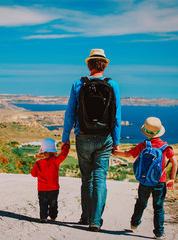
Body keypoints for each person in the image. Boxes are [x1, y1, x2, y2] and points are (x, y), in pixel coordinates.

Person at [62, 49, 121, 231]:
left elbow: (70, 114)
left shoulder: (78, 84)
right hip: (104, 139)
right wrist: (116, 141)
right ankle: (95, 220)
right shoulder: (113, 85)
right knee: (100, 178)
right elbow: (117, 116)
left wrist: (65, 138)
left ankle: (85, 216)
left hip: (83, 137)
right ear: (105, 65)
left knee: (86, 178)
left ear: (89, 64)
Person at [112, 117, 178, 239]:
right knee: (158, 207)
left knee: (141, 202)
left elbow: (128, 154)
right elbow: (174, 162)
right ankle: (158, 233)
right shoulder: (165, 147)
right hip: (160, 181)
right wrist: (172, 179)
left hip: (145, 180)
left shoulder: (144, 145)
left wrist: (115, 152)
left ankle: (134, 223)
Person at [31, 138, 70, 223]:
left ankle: (43, 217)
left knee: (43, 203)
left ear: (43, 152)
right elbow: (64, 154)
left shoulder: (38, 163)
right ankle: (53, 217)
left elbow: (33, 174)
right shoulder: (55, 161)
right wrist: (66, 146)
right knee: (53, 204)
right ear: (54, 152)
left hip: (42, 189)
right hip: (54, 189)